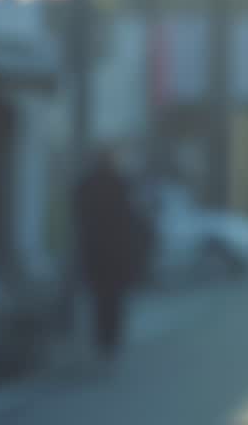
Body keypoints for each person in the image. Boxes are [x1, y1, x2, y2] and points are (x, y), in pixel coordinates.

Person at [74, 149, 150, 360]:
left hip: (95, 253)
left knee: (100, 300)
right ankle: (110, 343)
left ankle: (102, 341)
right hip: (116, 254)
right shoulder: (121, 184)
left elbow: (79, 215)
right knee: (113, 301)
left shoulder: (87, 184)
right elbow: (132, 219)